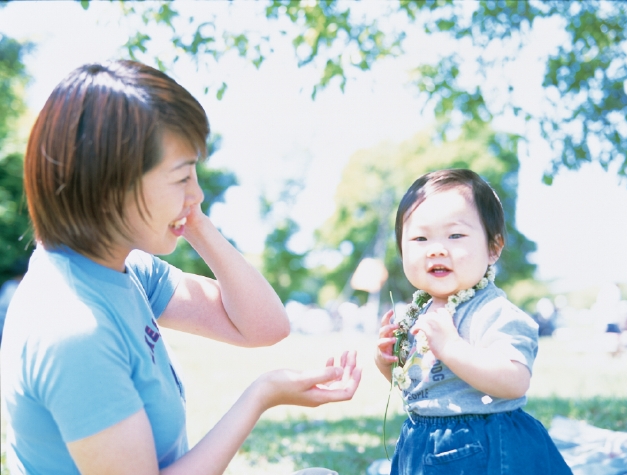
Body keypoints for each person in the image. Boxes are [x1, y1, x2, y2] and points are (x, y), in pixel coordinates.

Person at [0, 60, 361, 475]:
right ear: (110, 184)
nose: (198, 192)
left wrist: (189, 217)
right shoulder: (73, 329)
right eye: (182, 177)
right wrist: (260, 395)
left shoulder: (127, 269)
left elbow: (264, 327)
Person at [374, 169, 571, 474]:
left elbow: (514, 381)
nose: (436, 248)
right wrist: (388, 362)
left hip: (483, 447)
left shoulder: (491, 312)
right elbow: (424, 387)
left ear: (493, 248)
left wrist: (452, 347)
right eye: (420, 238)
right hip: (422, 442)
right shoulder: (419, 314)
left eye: (455, 235)